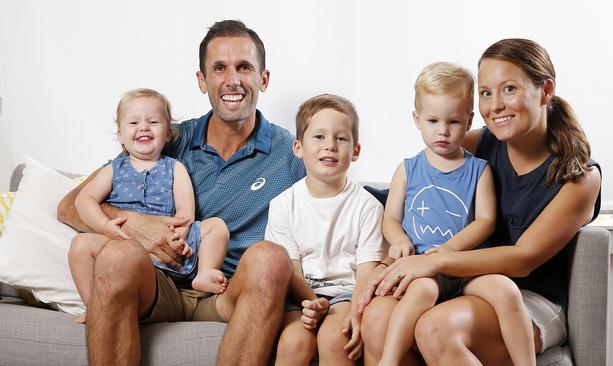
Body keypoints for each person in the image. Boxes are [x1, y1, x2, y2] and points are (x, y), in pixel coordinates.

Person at [57, 20, 306, 365]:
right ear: (202, 81)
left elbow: (347, 200)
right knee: (117, 256)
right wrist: (136, 225)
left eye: (244, 67)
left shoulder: (292, 152)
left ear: (263, 79)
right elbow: (70, 206)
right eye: (219, 68)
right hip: (156, 282)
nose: (232, 80)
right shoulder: (168, 137)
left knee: (270, 258)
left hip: (226, 290)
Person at [359, 38, 602, 365]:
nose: (496, 105)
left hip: (529, 298)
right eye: (486, 92)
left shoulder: (578, 177)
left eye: (509, 89)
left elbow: (523, 259)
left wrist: (437, 261)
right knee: (378, 320)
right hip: (465, 282)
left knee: (435, 328)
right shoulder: (476, 144)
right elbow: (419, 194)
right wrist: (390, 259)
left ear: (545, 91)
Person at [370, 62, 535, 366]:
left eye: (454, 122)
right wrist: (398, 240)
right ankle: (388, 361)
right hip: (423, 268)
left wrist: (449, 250)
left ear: (469, 120)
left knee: (507, 290)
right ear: (417, 120)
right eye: (433, 120)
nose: (443, 131)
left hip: (466, 267)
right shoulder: (407, 170)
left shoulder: (478, 170)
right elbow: (390, 217)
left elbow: (486, 222)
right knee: (419, 291)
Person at [68, 88, 229, 324]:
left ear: (168, 134)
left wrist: (178, 235)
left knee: (216, 226)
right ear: (120, 135)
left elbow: (186, 210)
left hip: (170, 244)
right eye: (133, 122)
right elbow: (84, 199)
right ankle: (95, 305)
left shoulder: (175, 168)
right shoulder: (114, 170)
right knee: (80, 245)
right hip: (122, 243)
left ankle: (204, 273)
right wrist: (105, 227)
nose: (143, 127)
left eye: (153, 122)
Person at [265, 94, 386, 365]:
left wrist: (356, 311)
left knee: (335, 337)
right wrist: (311, 305)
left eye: (341, 138)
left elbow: (367, 271)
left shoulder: (367, 206)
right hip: (300, 296)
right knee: (293, 342)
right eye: (319, 137)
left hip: (347, 294)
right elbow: (291, 270)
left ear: (355, 151)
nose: (330, 146)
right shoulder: (283, 205)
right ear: (298, 147)